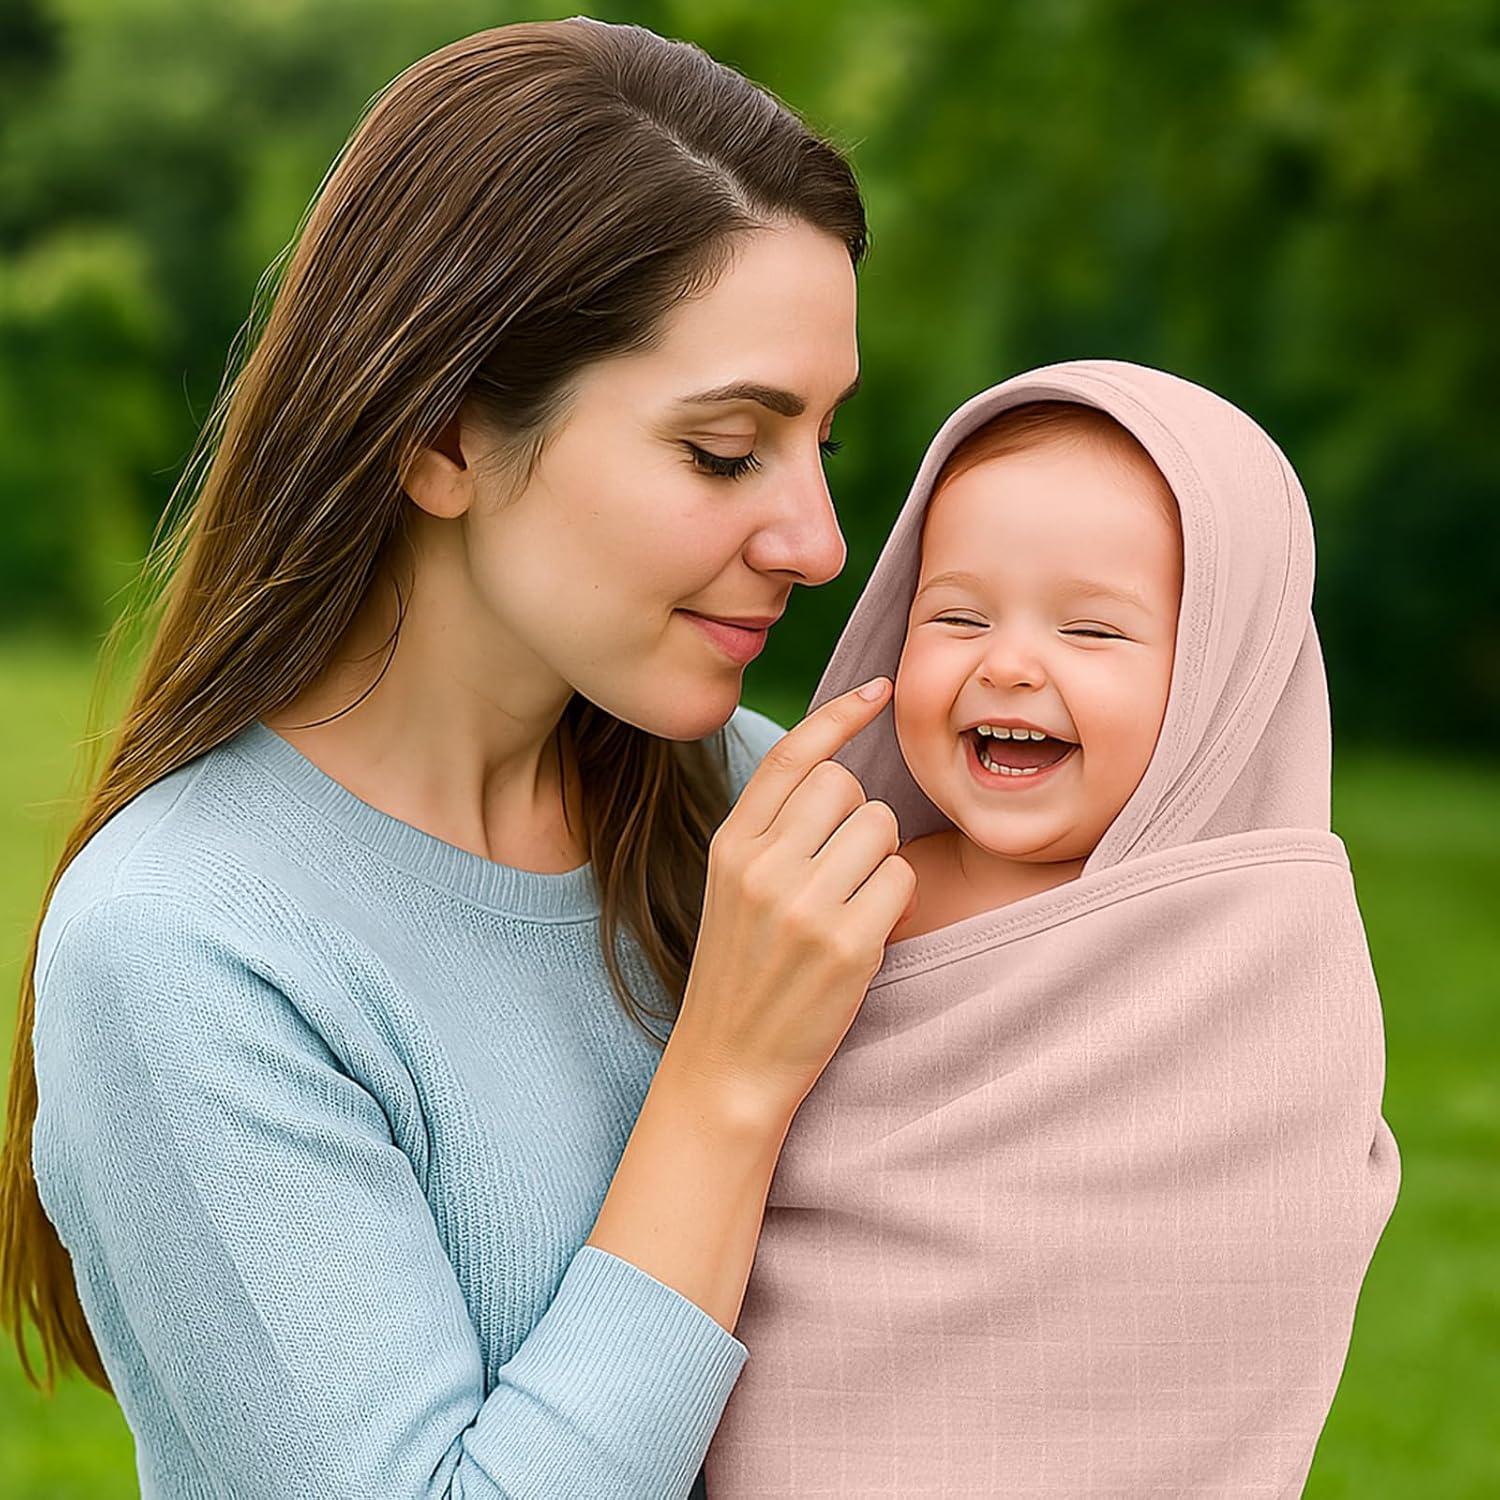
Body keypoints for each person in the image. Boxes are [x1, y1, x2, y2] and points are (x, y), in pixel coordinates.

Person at [0, 19, 919, 1500]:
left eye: (822, 440)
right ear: (439, 439)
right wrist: (727, 1080)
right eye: (727, 450)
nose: (817, 544)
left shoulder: (767, 824)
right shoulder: (189, 947)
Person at [704, 359, 1402, 1495]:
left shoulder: (1264, 957)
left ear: (1221, 678)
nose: (1011, 664)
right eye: (958, 615)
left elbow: (1271, 1246)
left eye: (1093, 631)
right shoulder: (849, 890)